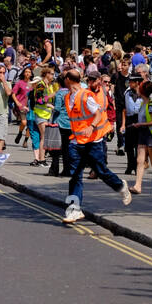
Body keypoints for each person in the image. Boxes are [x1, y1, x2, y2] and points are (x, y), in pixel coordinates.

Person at [62, 67, 131, 222]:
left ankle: (121, 186)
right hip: (76, 142)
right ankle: (74, 209)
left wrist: (91, 126)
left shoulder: (86, 96)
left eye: (64, 78)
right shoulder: (68, 97)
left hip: (93, 142)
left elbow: (98, 113)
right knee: (75, 176)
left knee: (101, 171)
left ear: (68, 80)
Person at [129, 78, 152, 196]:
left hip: (151, 136)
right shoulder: (143, 104)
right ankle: (137, 186)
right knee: (140, 161)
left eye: (139, 88)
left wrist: (140, 124)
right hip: (142, 134)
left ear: (142, 91)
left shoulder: (150, 105)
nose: (137, 90)